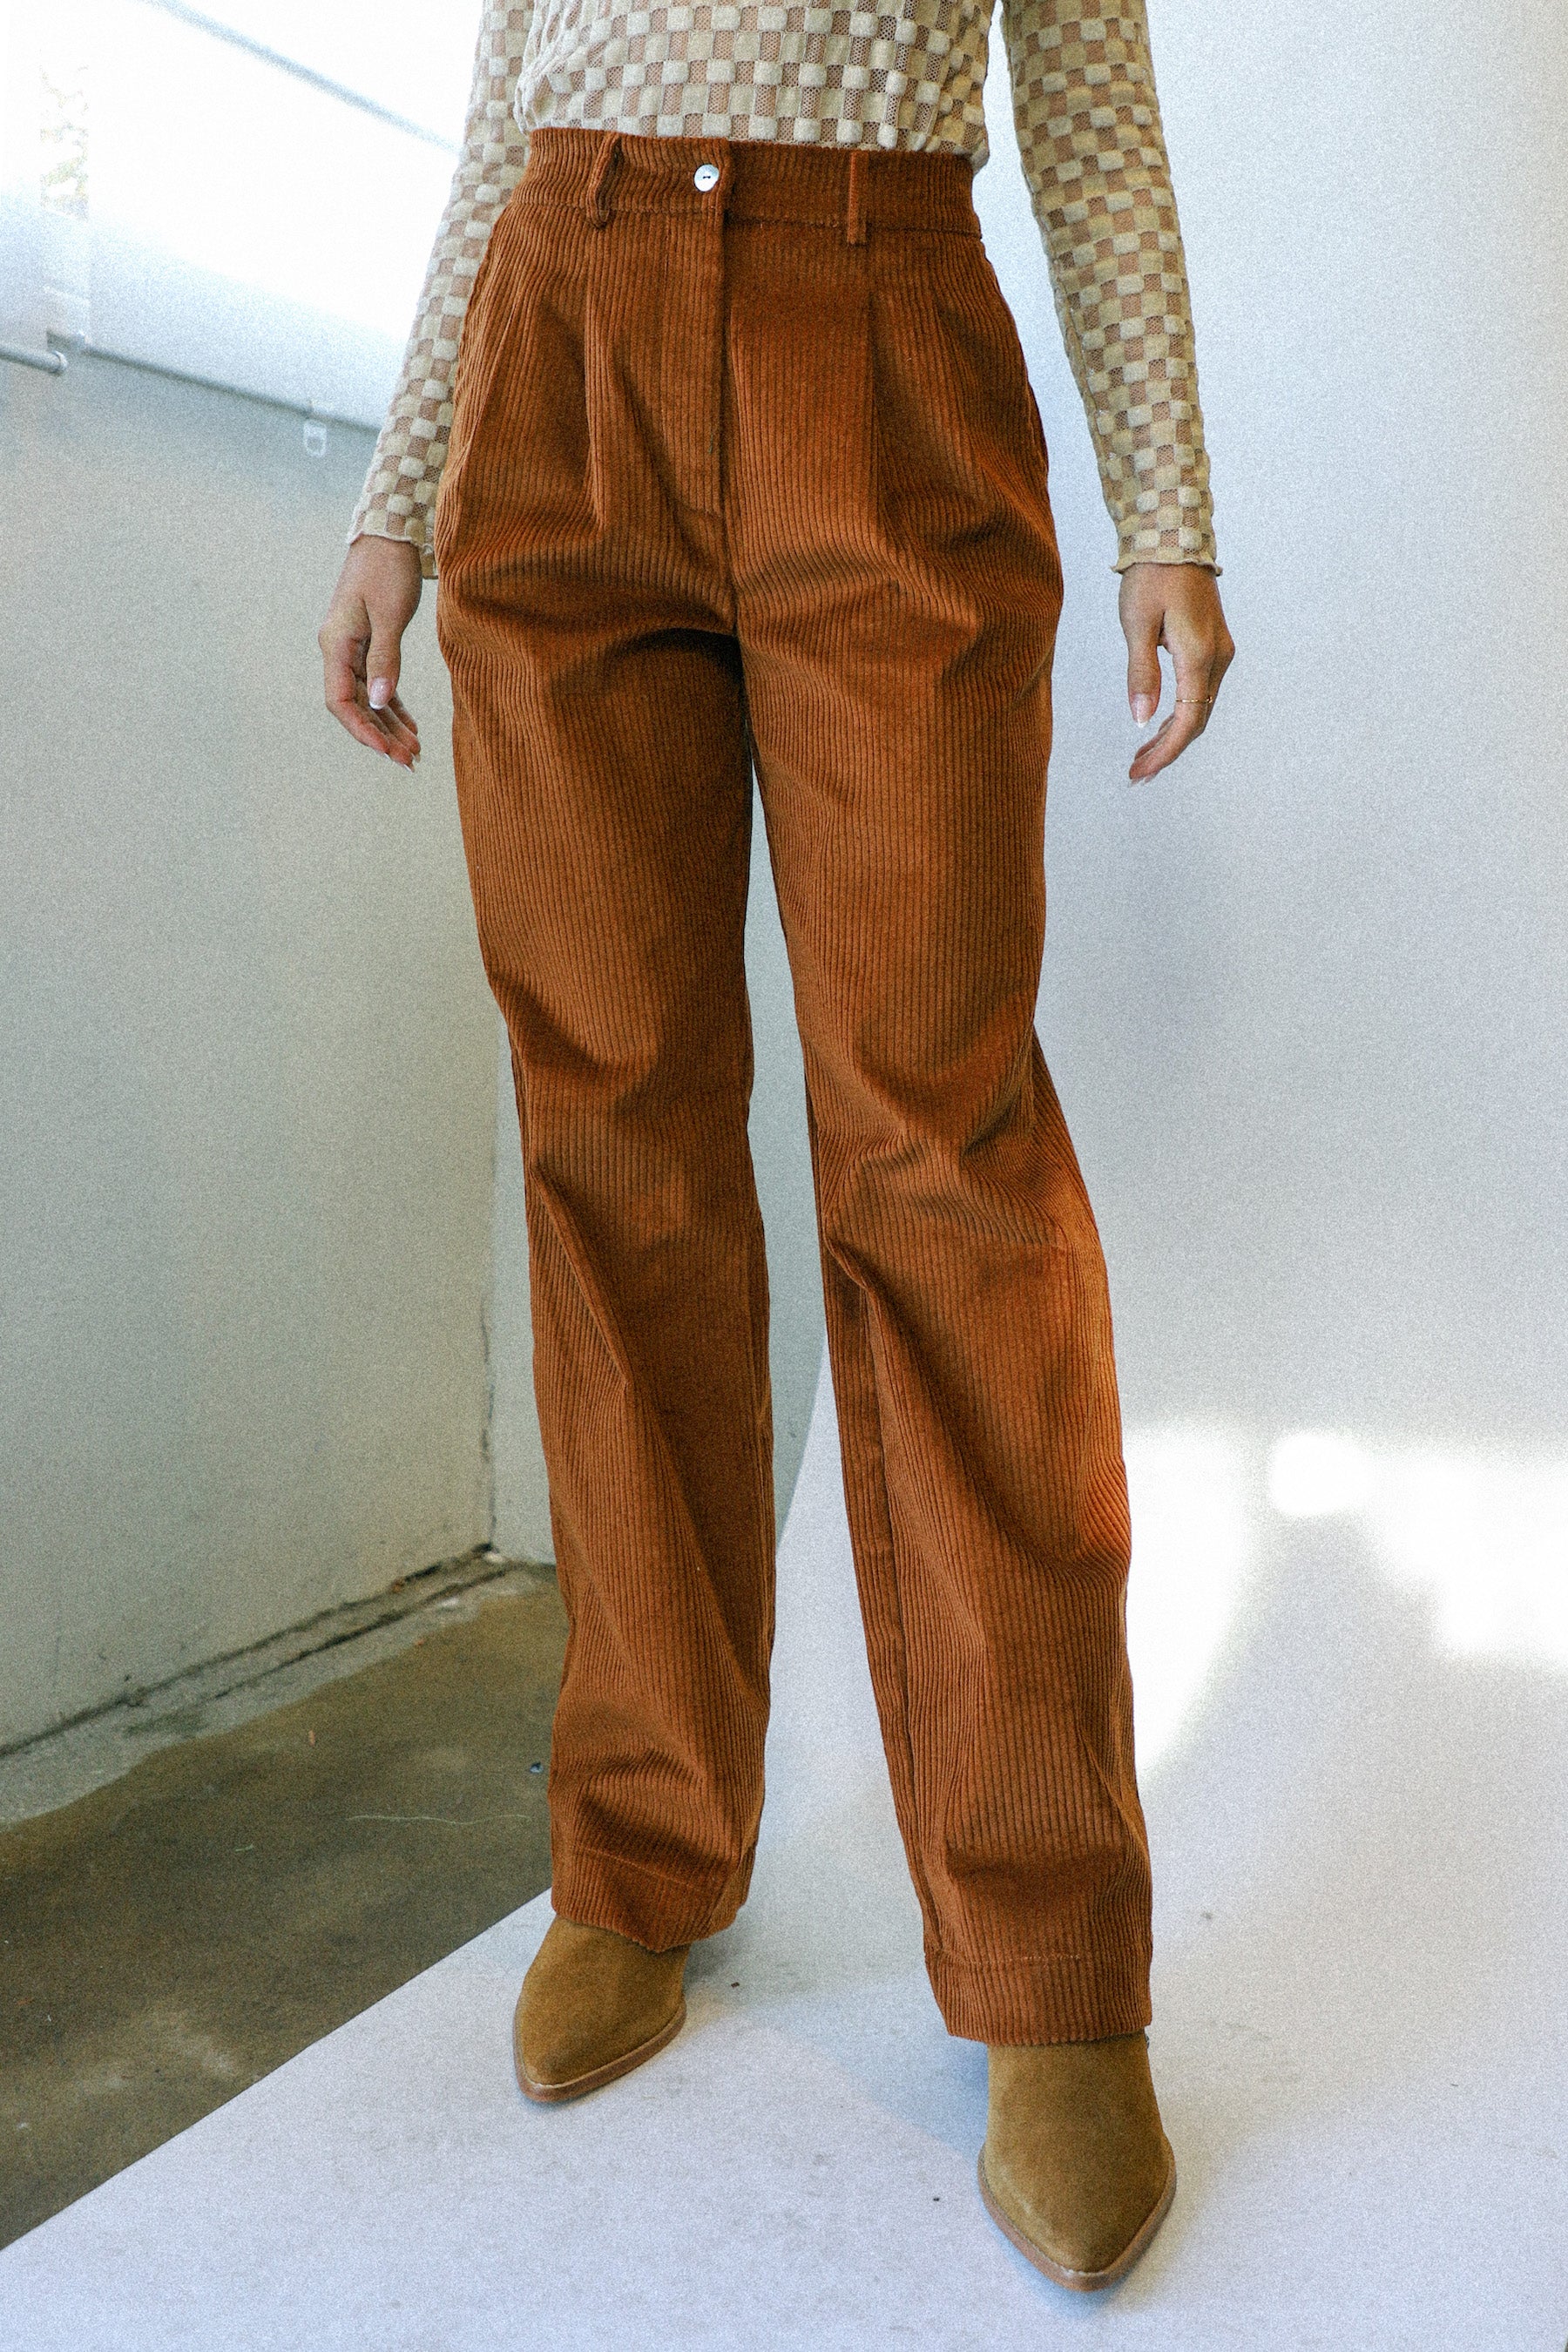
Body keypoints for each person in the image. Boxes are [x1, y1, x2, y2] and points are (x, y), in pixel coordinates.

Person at [318, 0, 1234, 2296]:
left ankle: (1052, 1964)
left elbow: (1094, 125)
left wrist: (1172, 514)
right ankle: (640, 1851)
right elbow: (506, 96)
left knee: (944, 1157)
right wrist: (399, 494)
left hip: (880, 343)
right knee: (609, 1140)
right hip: (557, 354)